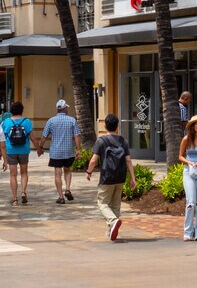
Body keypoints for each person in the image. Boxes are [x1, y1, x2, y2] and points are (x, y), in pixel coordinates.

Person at [86, 113, 134, 241]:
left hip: (107, 177)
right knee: (116, 204)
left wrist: (89, 172)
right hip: (120, 176)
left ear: (105, 126)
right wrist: (133, 178)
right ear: (117, 126)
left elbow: (93, 160)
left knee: (102, 203)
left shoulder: (101, 141)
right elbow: (128, 161)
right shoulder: (123, 141)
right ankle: (111, 230)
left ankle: (113, 221)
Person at [37, 99, 80, 204]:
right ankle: (68, 189)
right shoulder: (72, 120)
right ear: (64, 109)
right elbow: (76, 136)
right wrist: (78, 149)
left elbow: (44, 136)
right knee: (67, 170)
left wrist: (40, 147)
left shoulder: (51, 121)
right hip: (68, 151)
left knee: (57, 173)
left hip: (56, 152)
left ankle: (61, 197)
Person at [2, 101, 33, 206]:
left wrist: (0, 151)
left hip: (11, 150)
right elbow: (32, 137)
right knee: (24, 172)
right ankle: (23, 191)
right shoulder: (27, 121)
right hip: (24, 150)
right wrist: (39, 148)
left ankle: (15, 199)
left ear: (11, 111)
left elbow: (2, 138)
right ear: (21, 110)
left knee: (13, 175)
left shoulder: (7, 122)